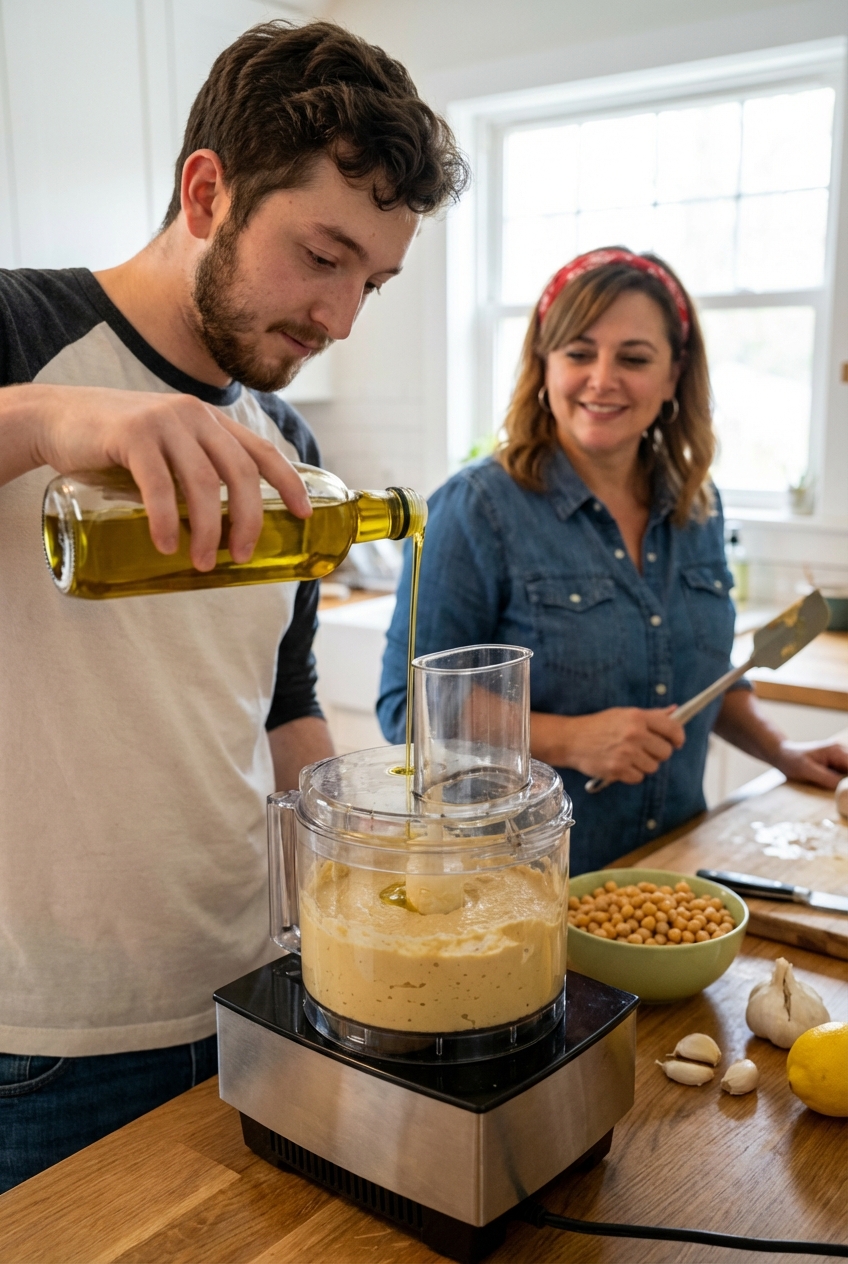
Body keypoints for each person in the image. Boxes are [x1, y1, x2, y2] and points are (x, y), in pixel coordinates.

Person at [0, 20, 467, 1190]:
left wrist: (359, 877)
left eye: (372, 279)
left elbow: (281, 706)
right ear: (206, 191)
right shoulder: (21, 334)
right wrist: (56, 425)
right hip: (44, 1042)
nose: (342, 316)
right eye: (323, 254)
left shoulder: (288, 449)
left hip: (254, 998)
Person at [379, 248, 848, 874]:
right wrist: (573, 739)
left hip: (671, 876)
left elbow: (704, 678)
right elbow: (408, 708)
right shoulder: (474, 510)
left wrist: (784, 750)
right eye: (578, 352)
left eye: (633, 357)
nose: (603, 379)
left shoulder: (698, 508)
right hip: (520, 891)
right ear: (543, 364)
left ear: (674, 373)